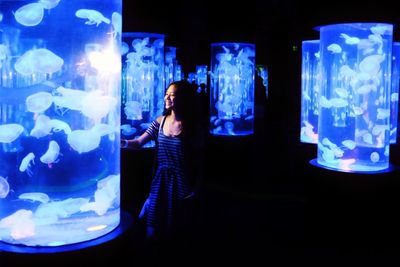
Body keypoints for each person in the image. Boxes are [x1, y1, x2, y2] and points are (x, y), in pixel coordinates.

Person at [121, 80, 205, 242]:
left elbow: (200, 160)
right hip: (160, 181)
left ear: (184, 98)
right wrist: (121, 142)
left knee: (176, 226)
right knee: (152, 226)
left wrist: (197, 188)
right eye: (166, 94)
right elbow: (138, 143)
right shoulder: (161, 121)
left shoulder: (192, 126)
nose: (167, 98)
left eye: (172, 95)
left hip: (182, 181)